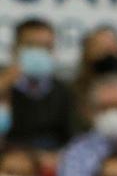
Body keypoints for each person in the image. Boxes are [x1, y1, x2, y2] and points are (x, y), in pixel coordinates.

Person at [3, 18, 74, 152]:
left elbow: (70, 138)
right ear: (15, 49)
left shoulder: (64, 91)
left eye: (45, 47)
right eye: (31, 46)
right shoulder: (4, 84)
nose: (38, 53)